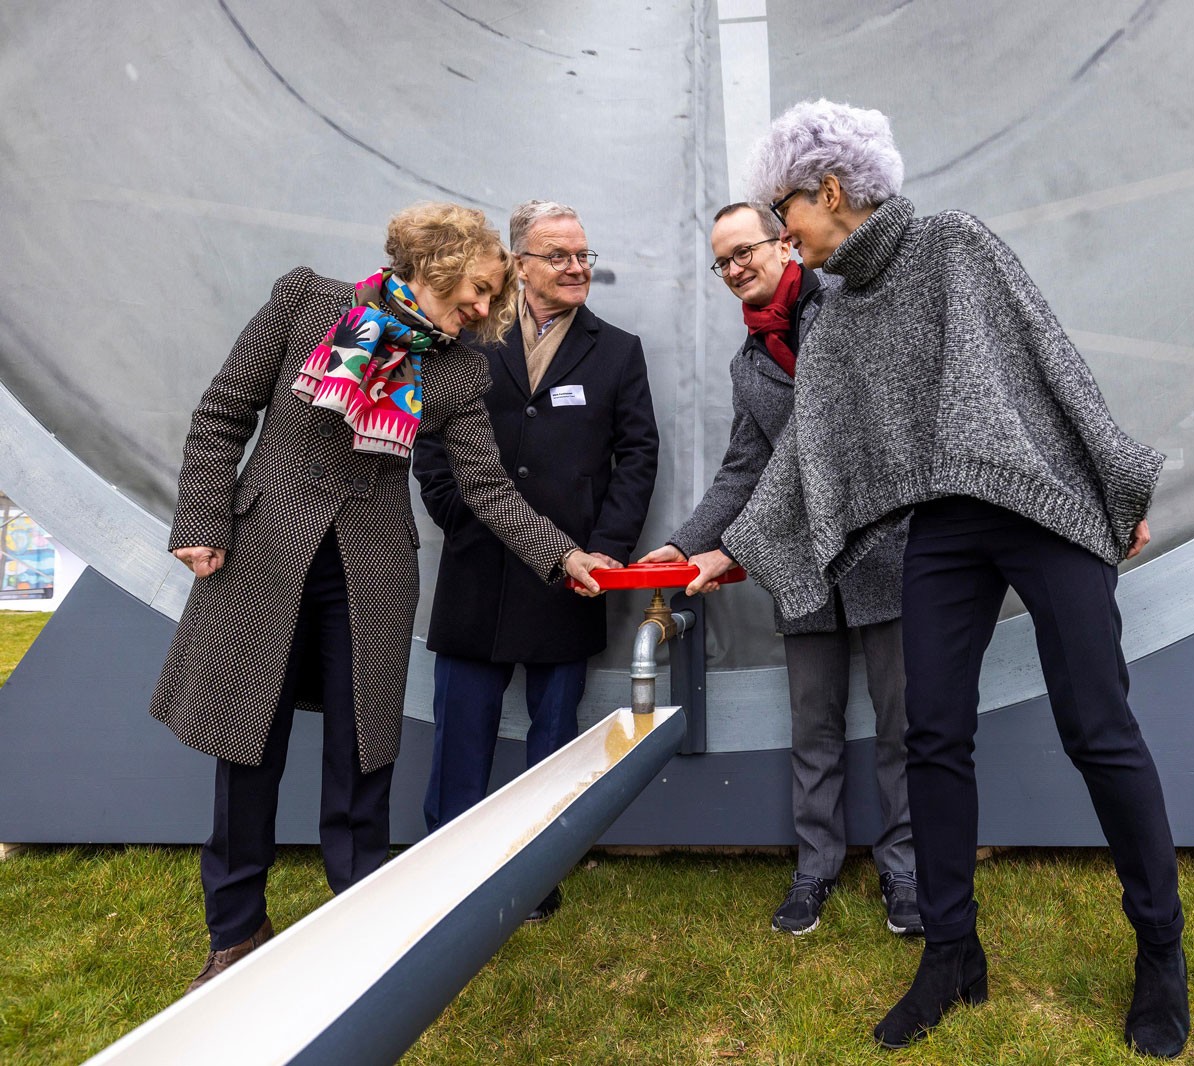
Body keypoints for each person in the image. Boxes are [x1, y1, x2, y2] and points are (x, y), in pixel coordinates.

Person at [720, 100, 1189, 1056]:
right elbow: (809, 444)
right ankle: (950, 955)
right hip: (943, 529)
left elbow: (1051, 359)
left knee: (1097, 728)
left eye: (785, 211)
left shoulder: (953, 244)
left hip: (1038, 504)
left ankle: (1161, 953)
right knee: (931, 735)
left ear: (833, 190)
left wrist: (1112, 480)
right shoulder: (840, 310)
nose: (783, 232)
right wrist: (733, 545)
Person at [150, 202, 610, 994]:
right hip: (262, 553)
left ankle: (359, 919)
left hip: (371, 569)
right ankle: (235, 930)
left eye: (490, 300)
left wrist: (562, 553)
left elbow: (487, 489)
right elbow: (223, 412)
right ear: (435, 260)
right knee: (245, 743)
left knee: (361, 754)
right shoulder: (306, 301)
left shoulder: (458, 369)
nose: (480, 311)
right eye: (474, 291)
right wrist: (201, 515)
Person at [640, 202, 918, 937]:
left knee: (903, 727)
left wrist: (731, 547)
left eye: (745, 252)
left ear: (786, 245)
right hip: (801, 564)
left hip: (882, 549)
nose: (735, 269)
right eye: (722, 261)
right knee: (814, 728)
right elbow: (745, 469)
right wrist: (685, 541)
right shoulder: (749, 363)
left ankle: (907, 872)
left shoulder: (846, 306)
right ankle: (815, 868)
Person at [412, 198, 658, 922]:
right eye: (560, 255)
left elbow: (638, 457)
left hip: (571, 580)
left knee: (554, 740)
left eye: (583, 254)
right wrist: (459, 518)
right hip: (477, 570)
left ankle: (537, 873)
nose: (578, 267)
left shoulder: (617, 350)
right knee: (462, 732)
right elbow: (430, 444)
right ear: (519, 264)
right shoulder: (464, 341)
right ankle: (450, 869)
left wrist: (604, 553)